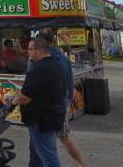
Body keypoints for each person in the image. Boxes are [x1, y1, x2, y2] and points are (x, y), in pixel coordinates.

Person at [13, 37, 66, 167]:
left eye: (30, 49)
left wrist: (13, 101)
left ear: (39, 50)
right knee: (37, 152)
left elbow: (25, 97)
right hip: (53, 115)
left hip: (41, 120)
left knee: (47, 155)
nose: (28, 52)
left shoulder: (38, 69)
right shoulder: (58, 64)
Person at [37, 32, 86, 167]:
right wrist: (68, 99)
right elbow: (70, 82)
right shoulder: (64, 59)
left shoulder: (42, 58)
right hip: (62, 103)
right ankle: (81, 163)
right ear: (53, 41)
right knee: (64, 137)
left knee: (45, 142)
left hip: (47, 106)